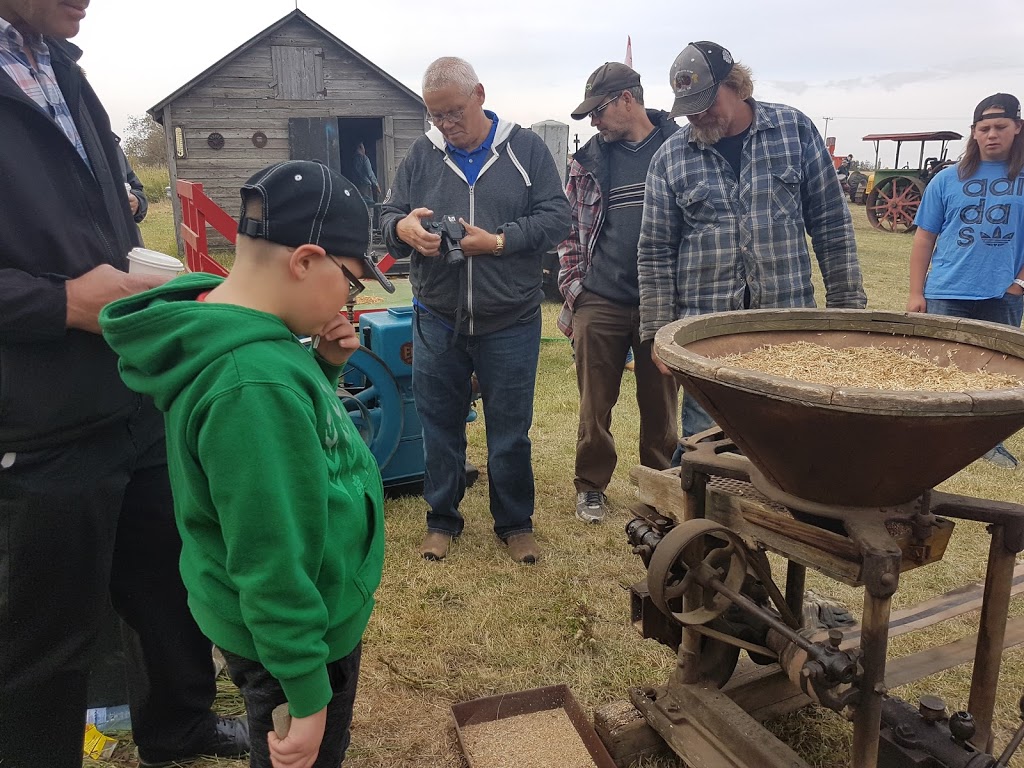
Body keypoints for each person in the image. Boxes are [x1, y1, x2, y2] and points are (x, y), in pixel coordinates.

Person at [0, 1, 249, 766]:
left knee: (171, 582)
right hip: (36, 415)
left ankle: (178, 726)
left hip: (131, 392)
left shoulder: (61, 70)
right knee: (46, 631)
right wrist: (55, 303)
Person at [100, 160, 392, 768]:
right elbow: (270, 555)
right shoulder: (253, 385)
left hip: (287, 631)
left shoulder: (241, 331)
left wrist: (323, 367)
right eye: (351, 281)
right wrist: (307, 695)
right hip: (296, 644)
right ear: (306, 260)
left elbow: (285, 444)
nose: (349, 299)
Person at [380, 56, 570, 563]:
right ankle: (441, 520)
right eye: (435, 115)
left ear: (480, 95)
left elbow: (557, 217)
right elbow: (388, 213)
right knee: (439, 425)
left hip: (511, 320)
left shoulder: (526, 148)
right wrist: (400, 229)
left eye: (454, 112)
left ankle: (515, 523)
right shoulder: (422, 154)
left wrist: (501, 242)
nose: (445, 125)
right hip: (437, 318)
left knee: (509, 431)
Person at [638, 41, 866, 441]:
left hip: (787, 326)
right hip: (706, 336)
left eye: (706, 101)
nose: (697, 114)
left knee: (793, 442)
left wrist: (848, 312)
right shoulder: (670, 157)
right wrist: (660, 331)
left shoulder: (794, 131)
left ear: (737, 85)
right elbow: (655, 251)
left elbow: (831, 224)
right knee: (706, 447)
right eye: (688, 105)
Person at [558, 62, 680, 523]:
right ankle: (591, 486)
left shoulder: (680, 149)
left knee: (662, 408)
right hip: (600, 300)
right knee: (594, 404)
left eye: (598, 110)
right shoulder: (588, 159)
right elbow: (568, 230)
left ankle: (661, 489)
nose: (593, 122)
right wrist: (577, 289)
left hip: (662, 304)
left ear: (628, 99)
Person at [907, 93, 1024, 468]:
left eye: (1000, 127)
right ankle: (930, 436)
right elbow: (925, 237)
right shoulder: (947, 179)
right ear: (973, 133)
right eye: (984, 128)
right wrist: (915, 292)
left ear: (1017, 128)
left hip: (1002, 293)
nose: (992, 135)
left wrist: (1019, 284)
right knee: (936, 366)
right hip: (946, 290)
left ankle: (989, 442)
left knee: (996, 370)